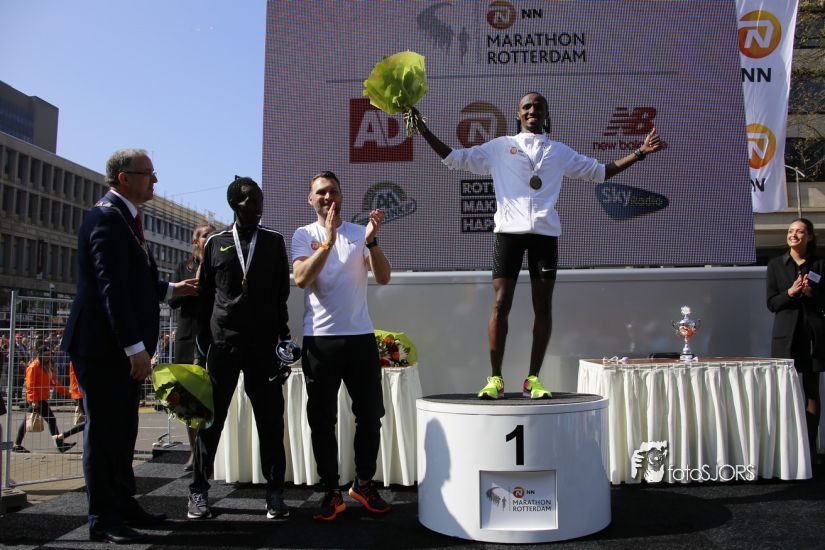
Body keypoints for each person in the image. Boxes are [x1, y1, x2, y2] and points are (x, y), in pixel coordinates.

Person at [412, 92, 663, 399]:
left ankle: (533, 379)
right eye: (526, 107)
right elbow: (454, 159)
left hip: (545, 234)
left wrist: (640, 153)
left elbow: (600, 172)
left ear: (546, 115)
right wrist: (423, 129)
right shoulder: (500, 147)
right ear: (518, 115)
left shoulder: (559, 152)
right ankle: (495, 379)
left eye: (538, 107)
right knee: (500, 303)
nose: (532, 110)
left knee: (542, 307)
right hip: (508, 234)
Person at [61, 148, 198, 544]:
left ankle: (123, 503)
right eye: (148, 173)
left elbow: (134, 280)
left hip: (117, 348)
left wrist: (171, 289)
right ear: (123, 177)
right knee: (104, 433)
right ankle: (103, 518)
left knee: (123, 430)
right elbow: (112, 288)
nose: (155, 180)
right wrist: (134, 347)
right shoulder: (107, 218)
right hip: (102, 348)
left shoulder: (127, 218)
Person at [188, 177, 292, 521]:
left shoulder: (273, 241)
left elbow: (281, 295)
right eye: (252, 200)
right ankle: (198, 490)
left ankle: (275, 493)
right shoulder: (216, 242)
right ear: (235, 203)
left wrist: (283, 339)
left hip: (263, 345)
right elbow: (205, 299)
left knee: (270, 420)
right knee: (210, 420)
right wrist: (201, 351)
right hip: (224, 345)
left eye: (261, 199)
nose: (259, 206)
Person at [292, 171, 392, 521]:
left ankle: (363, 483)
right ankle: (331, 491)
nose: (327, 197)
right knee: (322, 419)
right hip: (320, 339)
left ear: (341, 197)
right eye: (320, 192)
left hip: (360, 337)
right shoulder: (304, 235)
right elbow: (302, 278)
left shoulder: (359, 233)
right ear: (311, 199)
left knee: (371, 415)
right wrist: (328, 242)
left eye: (333, 191)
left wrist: (372, 242)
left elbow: (383, 277)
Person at [766, 218, 824, 467]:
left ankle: (810, 450)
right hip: (785, 337)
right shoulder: (776, 265)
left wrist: (811, 293)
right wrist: (790, 293)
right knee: (785, 392)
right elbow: (771, 303)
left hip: (812, 337)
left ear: (809, 237)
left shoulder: (820, 264)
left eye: (799, 232)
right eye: (790, 231)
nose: (794, 235)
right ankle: (786, 451)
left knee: (811, 391)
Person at [169, 223, 215, 471]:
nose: (210, 238)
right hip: (188, 338)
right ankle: (194, 451)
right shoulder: (184, 267)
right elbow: (172, 301)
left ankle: (213, 452)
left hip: (214, 337)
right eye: (205, 235)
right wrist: (190, 287)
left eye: (213, 235)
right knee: (189, 399)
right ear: (196, 241)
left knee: (214, 396)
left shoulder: (221, 263)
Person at [12, 351, 75, 454]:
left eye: (48, 354)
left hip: (41, 399)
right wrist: (33, 400)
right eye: (45, 354)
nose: (47, 356)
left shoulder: (47, 367)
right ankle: (59, 444)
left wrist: (69, 393)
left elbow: (55, 383)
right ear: (39, 354)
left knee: (28, 421)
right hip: (37, 400)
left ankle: (17, 445)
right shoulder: (34, 367)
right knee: (50, 420)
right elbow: (30, 385)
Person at [53, 361, 86, 447]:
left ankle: (62, 437)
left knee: (89, 422)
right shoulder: (78, 359)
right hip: (81, 393)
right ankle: (63, 436)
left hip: (81, 393)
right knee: (89, 421)